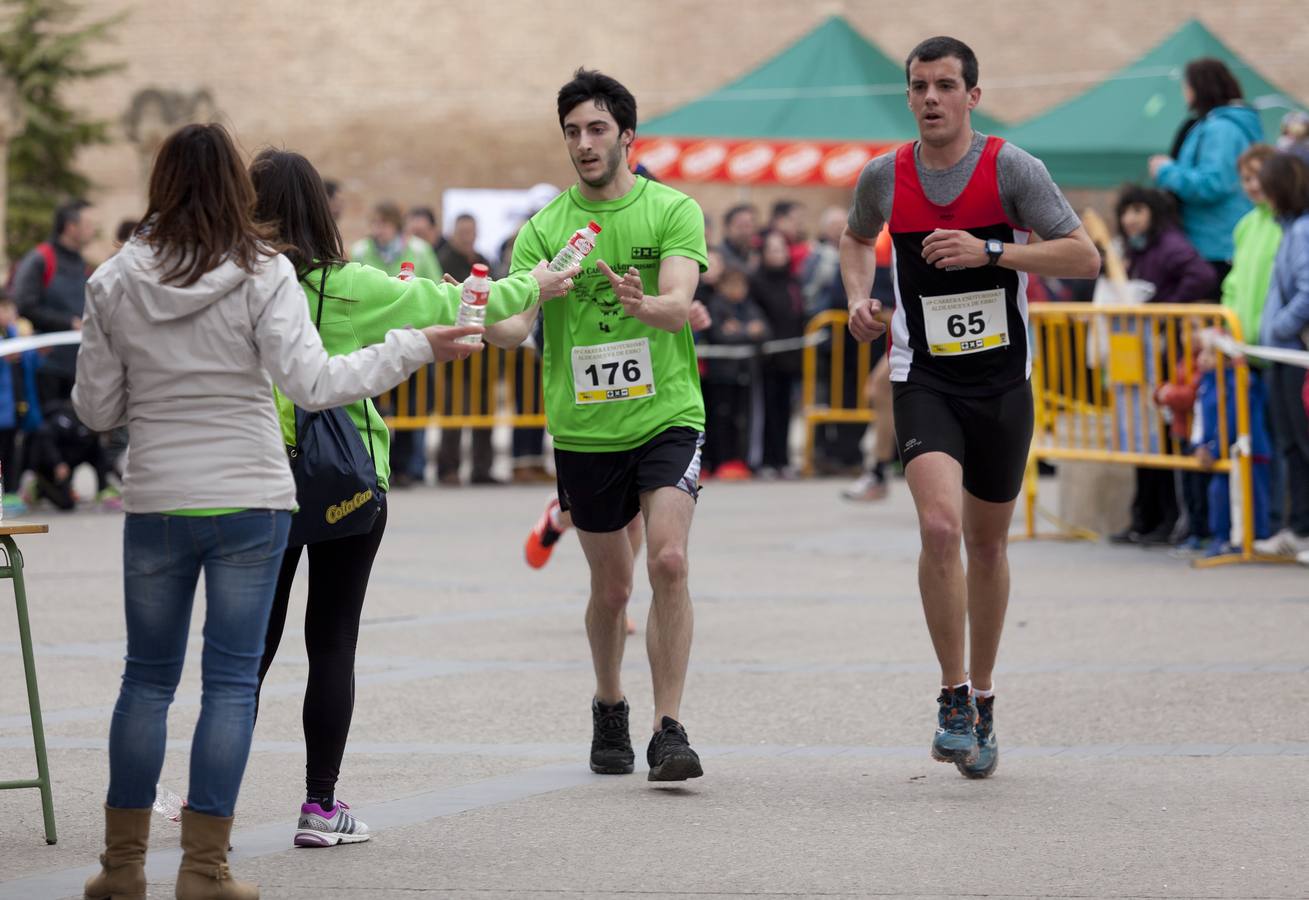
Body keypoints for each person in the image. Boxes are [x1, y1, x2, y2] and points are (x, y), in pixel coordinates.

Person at [72, 122, 486, 900]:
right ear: (236, 186)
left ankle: (120, 869)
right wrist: (416, 346)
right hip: (251, 497)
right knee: (232, 683)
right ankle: (205, 871)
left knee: (146, 682)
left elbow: (96, 409)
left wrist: (150, 389)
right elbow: (314, 383)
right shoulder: (264, 272)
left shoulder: (112, 280)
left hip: (159, 496)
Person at [248, 148, 573, 849]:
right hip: (344, 482)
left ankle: (212, 806)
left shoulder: (233, 285)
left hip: (258, 482)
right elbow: (457, 302)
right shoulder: (346, 284)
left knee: (250, 649)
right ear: (318, 210)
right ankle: (319, 807)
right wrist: (536, 284)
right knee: (331, 642)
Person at [841, 37, 1100, 779]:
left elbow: (1081, 257)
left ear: (970, 96)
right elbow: (854, 237)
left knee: (987, 545)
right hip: (924, 377)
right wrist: (861, 299)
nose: (929, 98)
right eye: (918, 86)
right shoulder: (884, 177)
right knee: (937, 524)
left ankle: (983, 697)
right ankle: (951, 693)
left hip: (1001, 385)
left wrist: (992, 255)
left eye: (944, 86)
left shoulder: (1011, 169)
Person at [503, 68, 709, 782]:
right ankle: (609, 702)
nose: (583, 144)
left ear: (626, 135)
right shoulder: (542, 231)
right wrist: (489, 308)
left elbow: (679, 302)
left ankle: (668, 728)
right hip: (586, 429)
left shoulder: (672, 209)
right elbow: (510, 327)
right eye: (571, 132)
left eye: (595, 129)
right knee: (613, 589)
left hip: (667, 415)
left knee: (669, 561)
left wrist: (643, 302)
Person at [1107, 185, 1217, 548]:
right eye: (1126, 211)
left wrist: (1164, 307)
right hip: (1142, 354)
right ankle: (1145, 517)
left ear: (1153, 212)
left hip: (1164, 353)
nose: (1130, 219)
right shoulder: (1138, 249)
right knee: (1142, 435)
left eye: (1138, 210)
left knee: (1161, 438)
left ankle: (1165, 519)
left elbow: (1201, 275)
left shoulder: (1169, 245)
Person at [352, 202, 444, 487]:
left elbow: (436, 285)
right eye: (374, 223)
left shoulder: (418, 250)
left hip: (413, 338)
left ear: (395, 226)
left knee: (413, 406)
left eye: (383, 224)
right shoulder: (360, 251)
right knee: (373, 404)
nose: (377, 230)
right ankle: (373, 464)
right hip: (374, 341)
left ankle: (406, 468)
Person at [1149, 58, 1262, 281]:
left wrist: (1165, 171)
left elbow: (1212, 183)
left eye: (1186, 85)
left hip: (1218, 247)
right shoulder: (1220, 125)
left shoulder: (1221, 129)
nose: (1184, 92)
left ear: (1198, 87)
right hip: (1217, 243)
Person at [1253, 151, 1309, 559]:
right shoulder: (1290, 228)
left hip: (1294, 354)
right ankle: (1299, 528)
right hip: (1283, 354)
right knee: (1290, 444)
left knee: (1301, 443)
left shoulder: (1302, 231)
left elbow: (1307, 293)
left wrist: (1279, 328)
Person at [12, 199, 96, 409]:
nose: (93, 230)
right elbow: (24, 304)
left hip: (80, 366)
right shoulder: (41, 259)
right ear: (70, 227)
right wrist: (69, 323)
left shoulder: (82, 264)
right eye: (88, 224)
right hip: (48, 367)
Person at [435, 212, 500, 485]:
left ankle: (482, 468)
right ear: (454, 233)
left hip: (483, 347)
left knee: (485, 410)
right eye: (462, 231)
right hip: (454, 347)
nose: (467, 236)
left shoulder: (483, 260)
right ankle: (448, 469)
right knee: (453, 410)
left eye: (471, 231)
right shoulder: (445, 260)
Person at [752, 230, 804, 476]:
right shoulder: (756, 281)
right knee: (767, 410)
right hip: (766, 358)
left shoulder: (792, 281)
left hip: (791, 357)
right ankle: (765, 460)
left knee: (785, 410)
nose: (778, 254)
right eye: (773, 249)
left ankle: (783, 460)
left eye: (782, 248)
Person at [1223, 145, 1283, 346]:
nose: (1253, 185)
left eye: (1258, 176)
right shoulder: (1245, 225)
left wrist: (1280, 326)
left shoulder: (1291, 224)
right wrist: (1229, 325)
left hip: (1280, 343)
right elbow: (1234, 282)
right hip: (1244, 343)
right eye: (1246, 179)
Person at [719, 203, 760, 272]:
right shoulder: (719, 257)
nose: (745, 231)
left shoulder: (758, 254)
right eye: (740, 226)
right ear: (727, 228)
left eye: (748, 226)